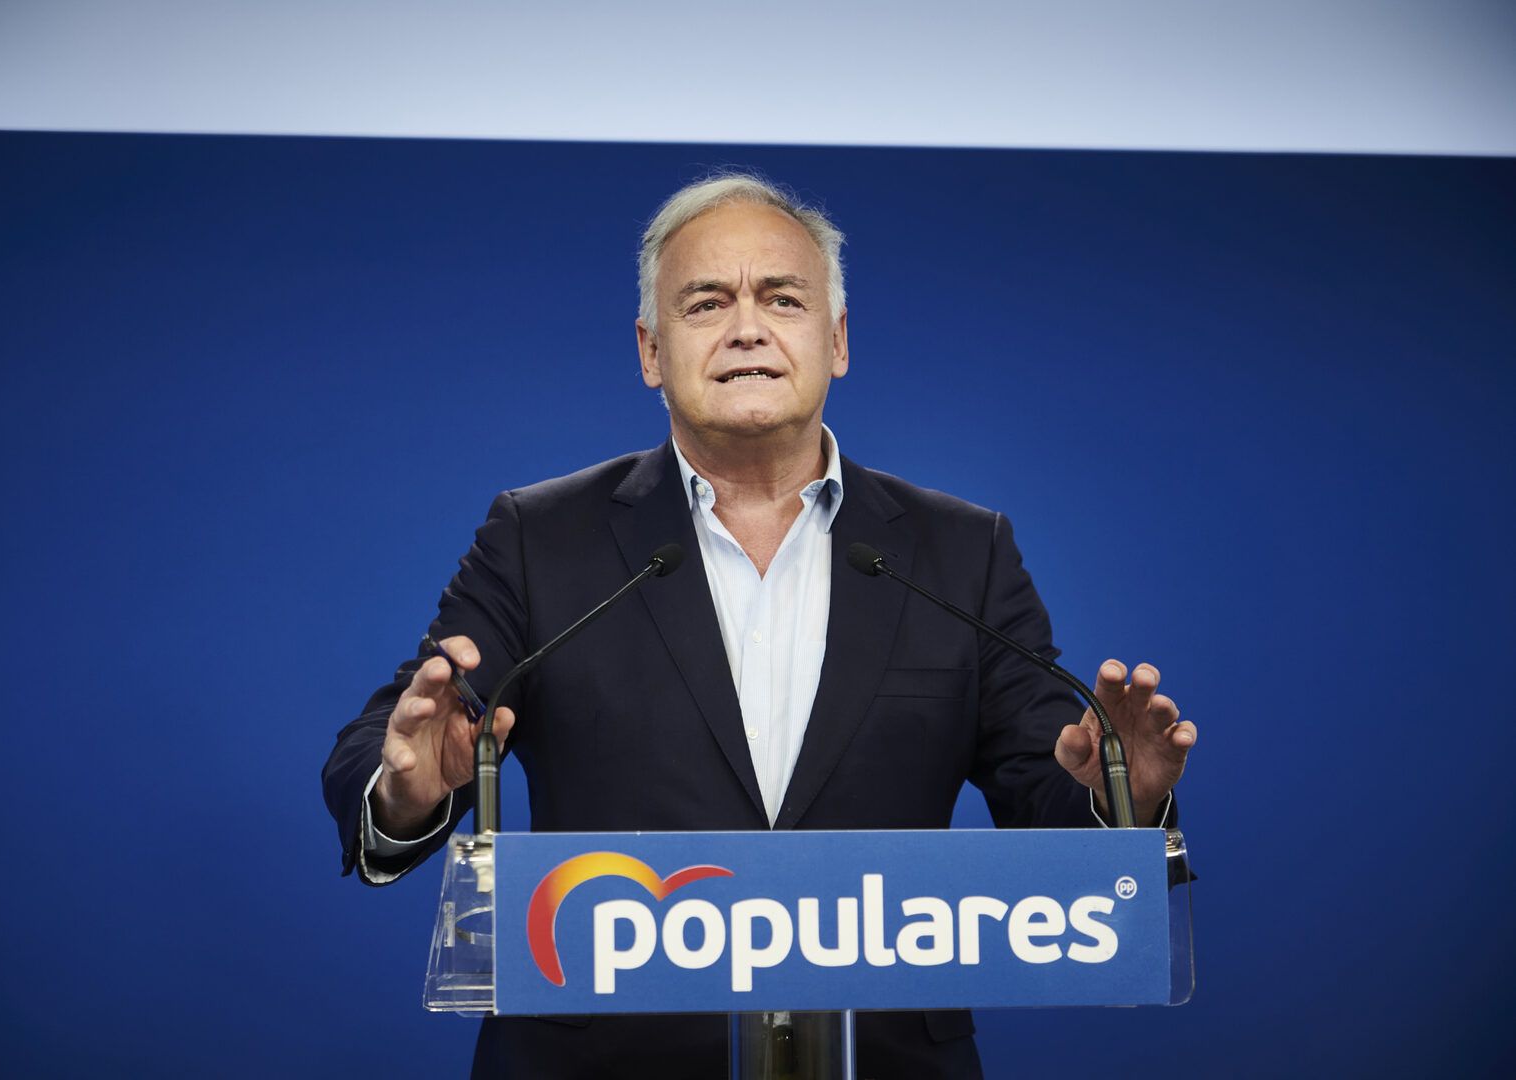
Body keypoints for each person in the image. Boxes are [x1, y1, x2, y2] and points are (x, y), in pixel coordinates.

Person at [322, 173, 1196, 1079]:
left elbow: (1047, 790)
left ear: (836, 340)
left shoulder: (960, 551)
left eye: (781, 298)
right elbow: (394, 738)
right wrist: (406, 788)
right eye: (706, 303)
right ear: (650, 350)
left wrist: (1119, 797)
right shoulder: (539, 538)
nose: (747, 327)